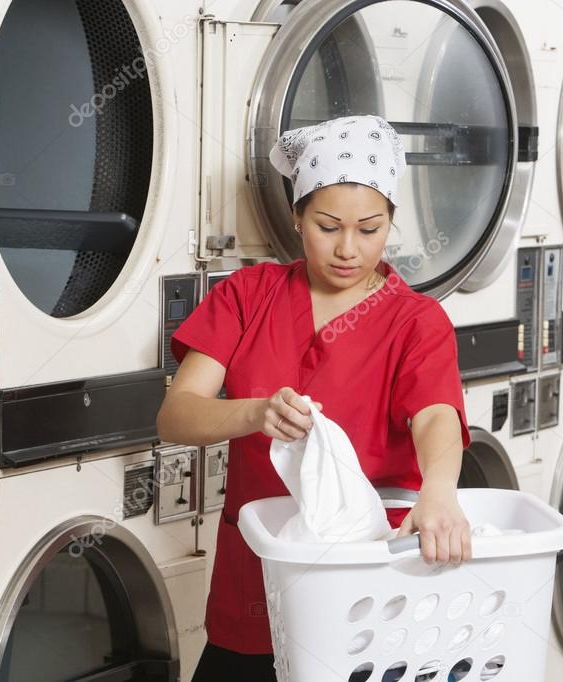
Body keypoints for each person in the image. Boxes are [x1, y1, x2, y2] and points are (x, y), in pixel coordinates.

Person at [156, 114, 473, 682]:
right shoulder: (246, 296)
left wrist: (441, 490)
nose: (349, 248)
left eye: (370, 228)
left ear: (391, 223)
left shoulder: (416, 320)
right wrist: (255, 411)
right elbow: (177, 415)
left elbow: (436, 416)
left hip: (374, 584)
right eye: (328, 226)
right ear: (297, 215)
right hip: (258, 577)